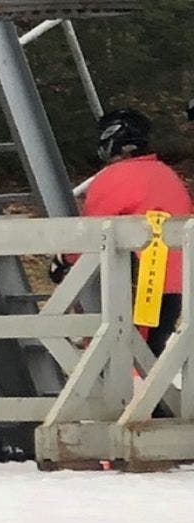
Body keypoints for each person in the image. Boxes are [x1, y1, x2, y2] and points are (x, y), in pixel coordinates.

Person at [82, 107, 190, 349]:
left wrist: (62, 263)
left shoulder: (114, 178)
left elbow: (88, 233)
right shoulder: (167, 175)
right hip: (176, 284)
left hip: (141, 283)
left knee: (128, 359)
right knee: (152, 354)